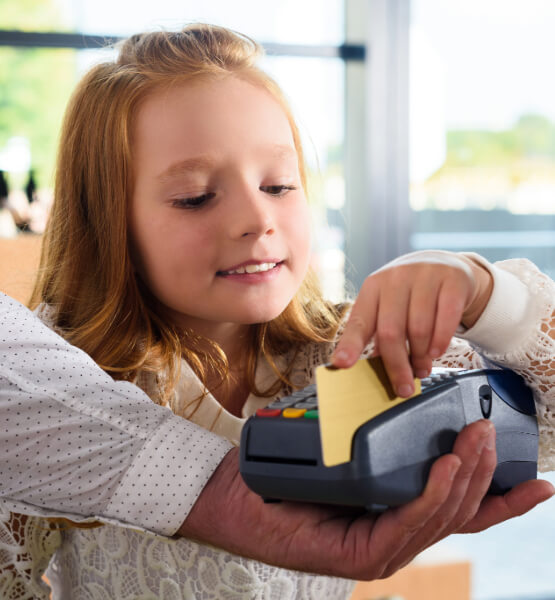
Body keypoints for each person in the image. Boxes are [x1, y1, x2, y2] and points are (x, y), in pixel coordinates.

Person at [0, 22, 553, 599]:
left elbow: (547, 422)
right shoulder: (62, 387)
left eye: (280, 185)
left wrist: (486, 292)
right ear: (108, 224)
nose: (256, 219)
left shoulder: (352, 355)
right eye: (195, 197)